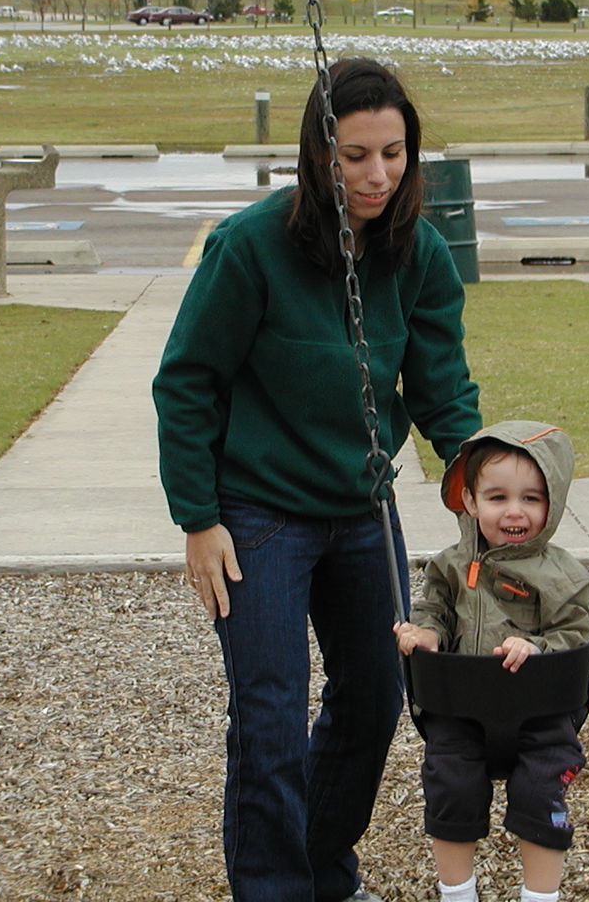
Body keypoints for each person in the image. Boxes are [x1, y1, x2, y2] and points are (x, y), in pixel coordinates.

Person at [153, 57, 481, 902]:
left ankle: (324, 871)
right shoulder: (249, 247)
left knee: (376, 699)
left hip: (360, 510)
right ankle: (273, 889)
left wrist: (482, 481)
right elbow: (187, 382)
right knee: (268, 717)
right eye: (356, 156)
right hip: (256, 515)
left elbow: (442, 390)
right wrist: (197, 517)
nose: (377, 175)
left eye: (394, 153)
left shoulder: (420, 254)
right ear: (318, 153)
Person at [394, 421, 589, 902]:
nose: (515, 512)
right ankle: (457, 893)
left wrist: (538, 647)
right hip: (460, 708)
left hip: (541, 712)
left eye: (532, 498)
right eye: (498, 497)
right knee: (450, 786)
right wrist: (425, 633)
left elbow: (576, 630)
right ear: (470, 501)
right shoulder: (450, 564)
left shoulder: (562, 573)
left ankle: (540, 896)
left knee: (541, 794)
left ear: (554, 504)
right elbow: (434, 611)